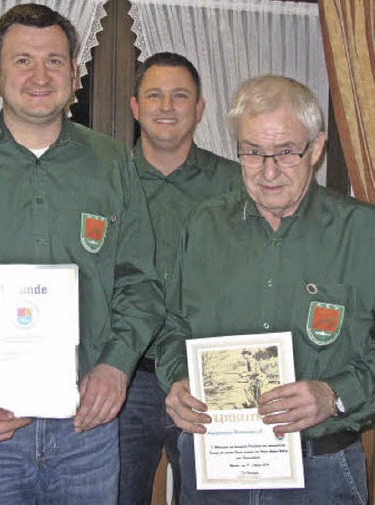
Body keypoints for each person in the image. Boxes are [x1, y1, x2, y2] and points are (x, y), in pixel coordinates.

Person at [0, 4, 166, 504]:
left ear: (73, 74)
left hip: (87, 426)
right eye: (23, 61)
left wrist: (116, 365)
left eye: (55, 61)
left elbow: (140, 283)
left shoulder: (111, 164)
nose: (40, 75)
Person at [160, 74, 373, 503]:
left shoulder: (364, 233)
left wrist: (334, 395)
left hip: (321, 469)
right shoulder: (202, 226)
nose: (269, 170)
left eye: (286, 152)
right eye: (253, 152)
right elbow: (171, 326)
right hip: (212, 464)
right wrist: (178, 379)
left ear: (316, 148)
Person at [119, 52, 241, 505]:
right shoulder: (108, 179)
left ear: (200, 108)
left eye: (180, 96)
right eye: (154, 95)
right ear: (135, 107)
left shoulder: (237, 184)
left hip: (210, 376)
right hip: (123, 380)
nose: (166, 106)